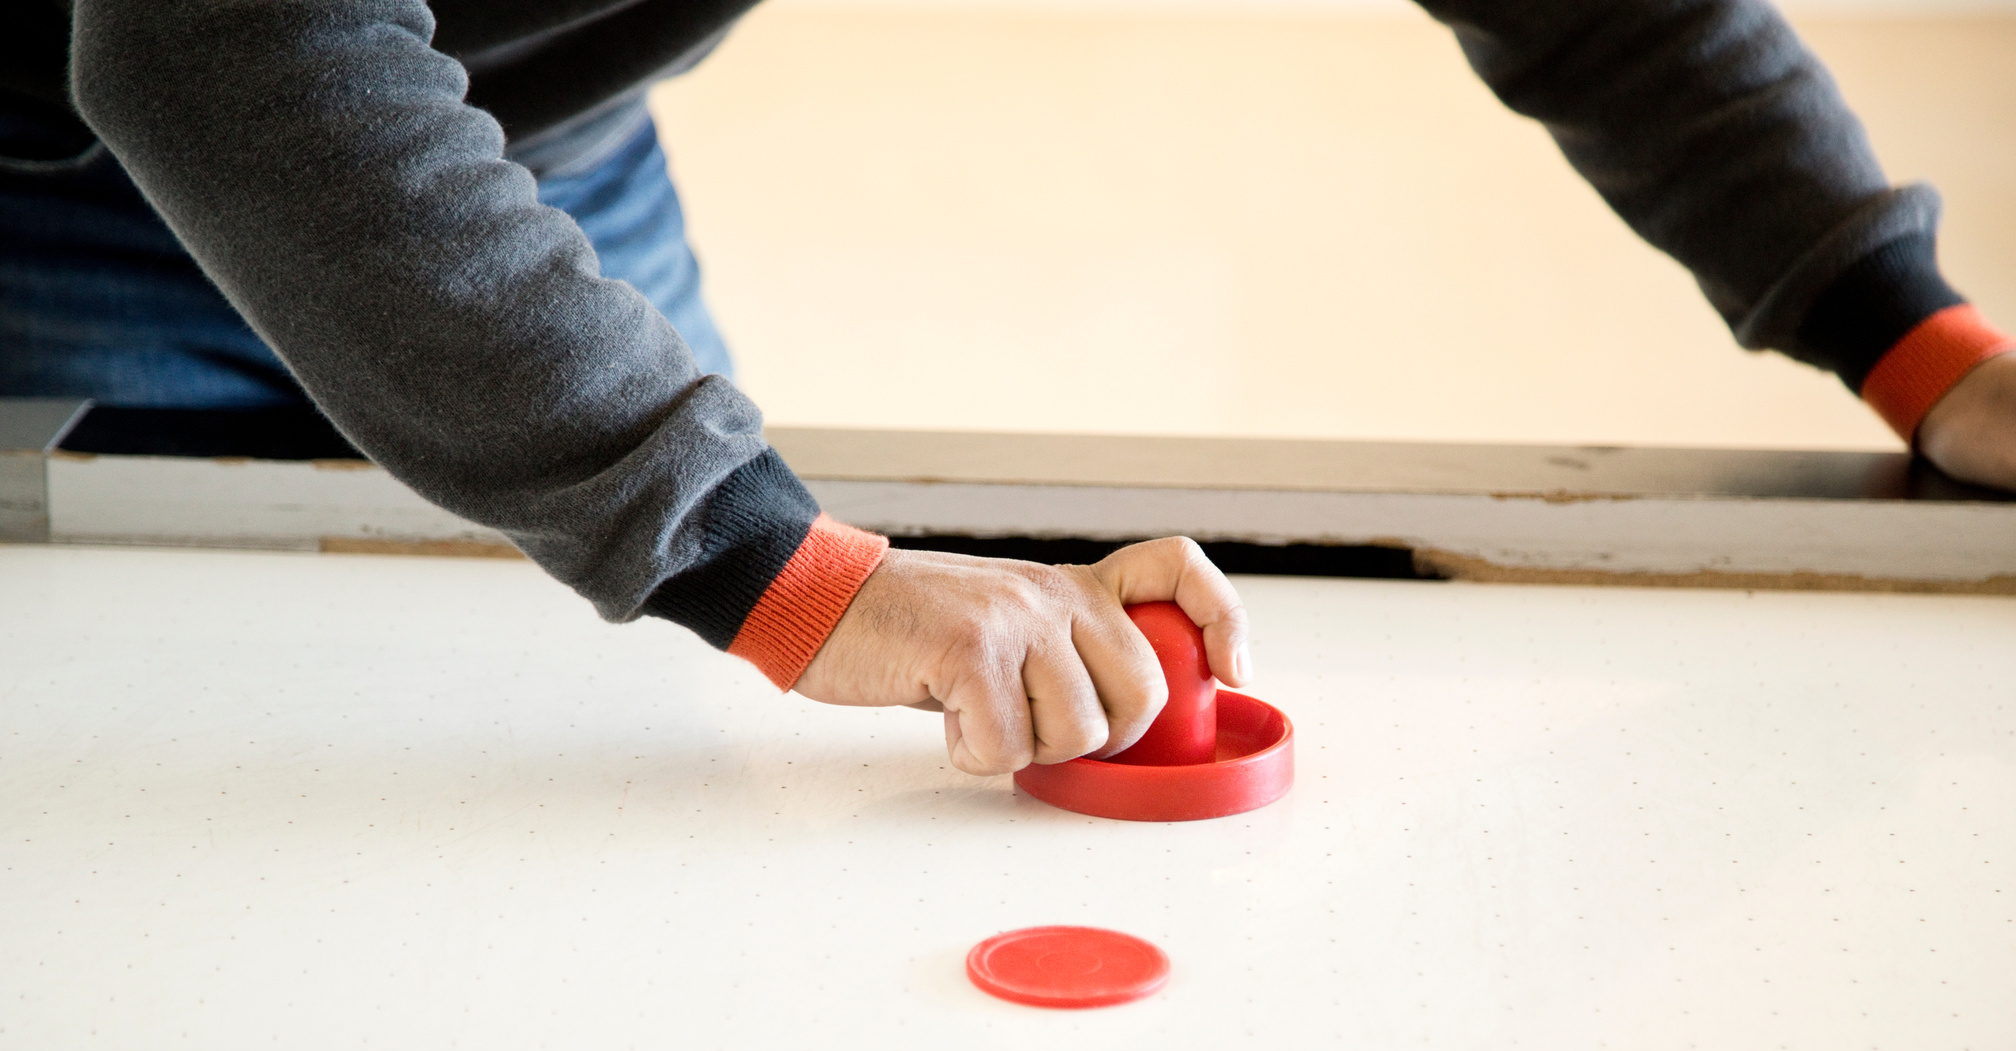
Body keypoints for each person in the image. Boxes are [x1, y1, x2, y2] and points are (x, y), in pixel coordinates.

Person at [3, 0, 2010, 774]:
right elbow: (216, 54)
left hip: (533, 133)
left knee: (595, 787)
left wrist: (1909, 334)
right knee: (155, 837)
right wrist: (773, 568)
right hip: (67, 187)